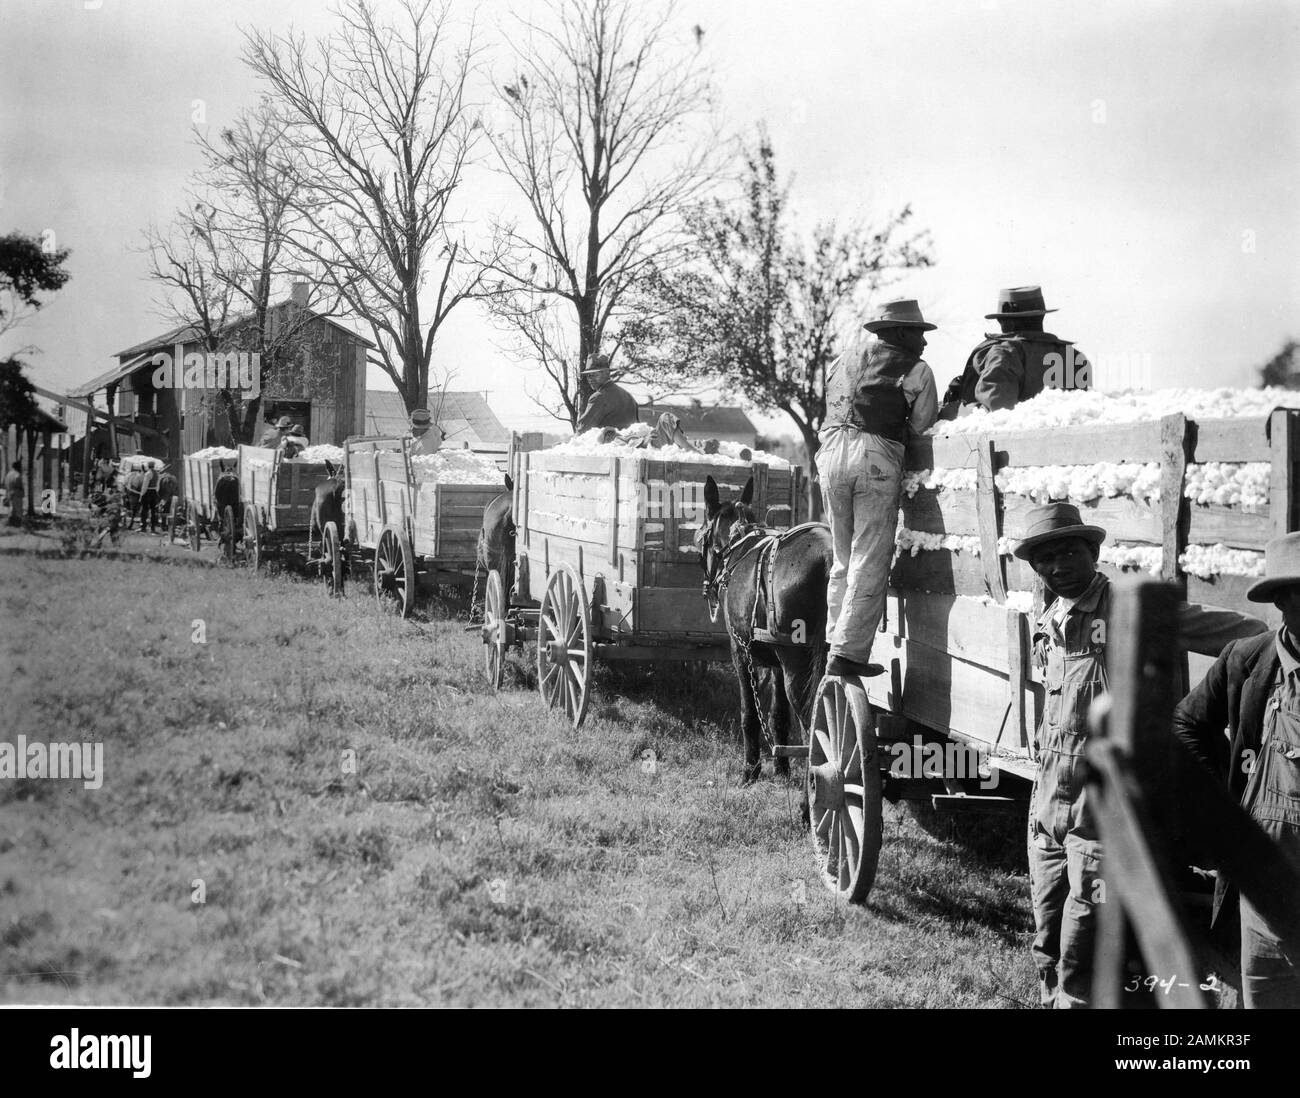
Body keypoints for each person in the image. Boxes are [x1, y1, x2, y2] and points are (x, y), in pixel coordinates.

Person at [1013, 503, 1266, 1008]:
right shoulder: (1047, 617)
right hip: (1048, 806)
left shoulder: (1124, 611)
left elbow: (1234, 630)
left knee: (1081, 939)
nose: (1059, 566)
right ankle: (1052, 996)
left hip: (1100, 810)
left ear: (1094, 552)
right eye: (1046, 558)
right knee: (1045, 929)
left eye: (1070, 552)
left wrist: (1279, 645)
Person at [1172, 531, 1300, 1008]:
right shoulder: (1247, 660)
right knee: (1265, 995)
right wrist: (1227, 801)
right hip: (1262, 879)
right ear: (1283, 599)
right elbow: (1186, 723)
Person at [817, 299, 939, 678]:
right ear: (899, 333)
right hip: (876, 455)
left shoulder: (841, 360)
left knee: (842, 557)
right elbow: (922, 428)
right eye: (918, 333)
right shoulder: (917, 369)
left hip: (829, 452)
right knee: (870, 556)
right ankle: (849, 653)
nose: (923, 342)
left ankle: (831, 641)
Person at [942, 286, 1090, 414]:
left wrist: (959, 409)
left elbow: (998, 412)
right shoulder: (1074, 356)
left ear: (1008, 321)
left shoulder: (1004, 354)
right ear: (1042, 316)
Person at [575, 353, 639, 433]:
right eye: (588, 375)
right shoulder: (628, 396)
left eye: (594, 374)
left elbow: (583, 429)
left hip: (606, 445)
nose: (590, 379)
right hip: (630, 443)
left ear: (607, 373)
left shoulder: (598, 397)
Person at [137, 462, 160, 533]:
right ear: (153, 466)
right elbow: (158, 485)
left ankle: (143, 527)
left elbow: (145, 485)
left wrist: (141, 495)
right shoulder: (157, 474)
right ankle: (153, 528)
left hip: (147, 492)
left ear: (148, 466)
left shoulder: (147, 474)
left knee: (144, 510)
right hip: (154, 492)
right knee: (153, 511)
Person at [4, 459, 24, 526]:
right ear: (18, 467)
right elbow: (19, 485)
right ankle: (17, 525)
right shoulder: (17, 475)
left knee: (11, 510)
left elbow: (5, 485)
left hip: (9, 493)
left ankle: (10, 524)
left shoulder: (8, 475)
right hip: (17, 494)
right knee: (18, 511)